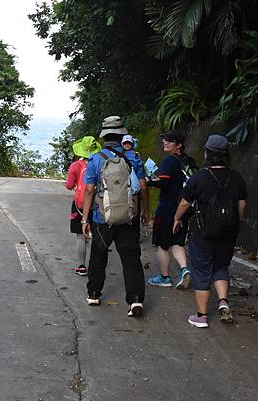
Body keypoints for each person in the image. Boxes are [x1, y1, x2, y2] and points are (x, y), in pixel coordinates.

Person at [173, 134, 248, 328]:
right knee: (221, 268)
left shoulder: (199, 177)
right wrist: (234, 224)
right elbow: (241, 205)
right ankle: (223, 301)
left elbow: (184, 203)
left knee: (202, 272)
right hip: (228, 233)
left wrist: (177, 219)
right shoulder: (236, 177)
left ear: (207, 154)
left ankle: (201, 316)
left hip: (202, 234)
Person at [81, 116, 150, 317]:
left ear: (104, 136)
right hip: (129, 217)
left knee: (98, 254)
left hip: (103, 218)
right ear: (121, 135)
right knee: (131, 257)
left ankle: (94, 293)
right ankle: (136, 300)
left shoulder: (96, 158)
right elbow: (143, 186)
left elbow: (89, 190)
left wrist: (85, 219)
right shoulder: (133, 157)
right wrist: (146, 211)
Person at [147, 129, 197, 289]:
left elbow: (163, 182)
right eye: (164, 140)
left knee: (162, 244)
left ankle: (164, 277)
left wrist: (147, 181)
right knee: (178, 242)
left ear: (179, 145)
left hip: (168, 208)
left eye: (169, 141)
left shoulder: (170, 161)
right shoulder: (190, 161)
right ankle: (184, 270)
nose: (165, 142)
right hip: (184, 208)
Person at [66, 136, 102, 276]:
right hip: (97, 203)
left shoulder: (76, 165)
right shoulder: (99, 163)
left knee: (80, 236)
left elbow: (69, 185)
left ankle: (81, 266)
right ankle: (96, 265)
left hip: (80, 204)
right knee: (96, 234)